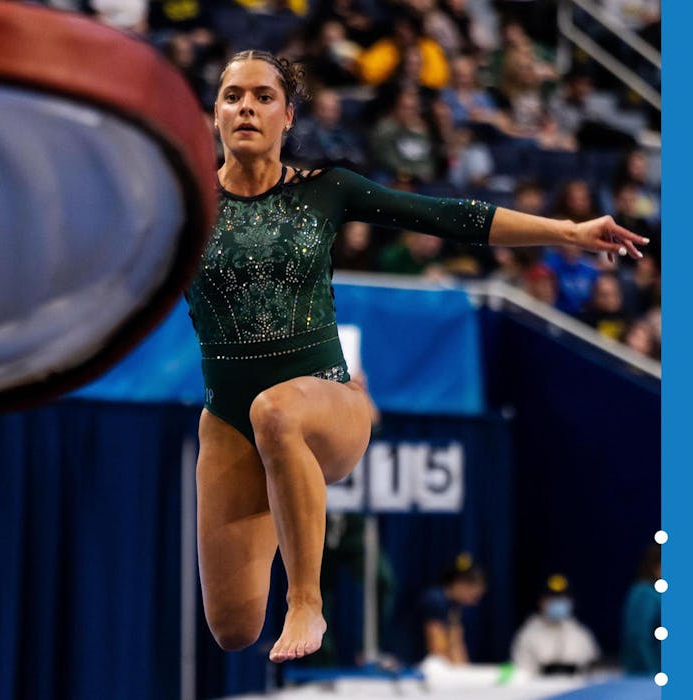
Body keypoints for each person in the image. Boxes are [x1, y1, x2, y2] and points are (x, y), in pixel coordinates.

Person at [186, 49, 647, 664]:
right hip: (229, 419)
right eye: (232, 96)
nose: (246, 107)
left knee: (278, 411)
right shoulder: (185, 204)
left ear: (289, 116)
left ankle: (307, 599)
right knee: (233, 627)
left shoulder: (327, 192)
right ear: (215, 113)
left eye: (263, 96)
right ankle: (280, 488)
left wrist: (567, 232)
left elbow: (449, 217)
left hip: (326, 402)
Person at [511, 574, 600, 675]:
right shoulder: (527, 635)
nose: (558, 602)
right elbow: (521, 674)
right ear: (541, 601)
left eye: (562, 597)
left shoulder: (581, 634)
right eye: (552, 597)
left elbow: (593, 671)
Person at [621, 544, 662, 675]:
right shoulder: (644, 594)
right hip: (645, 677)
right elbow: (638, 637)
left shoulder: (657, 593)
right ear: (655, 565)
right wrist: (651, 673)